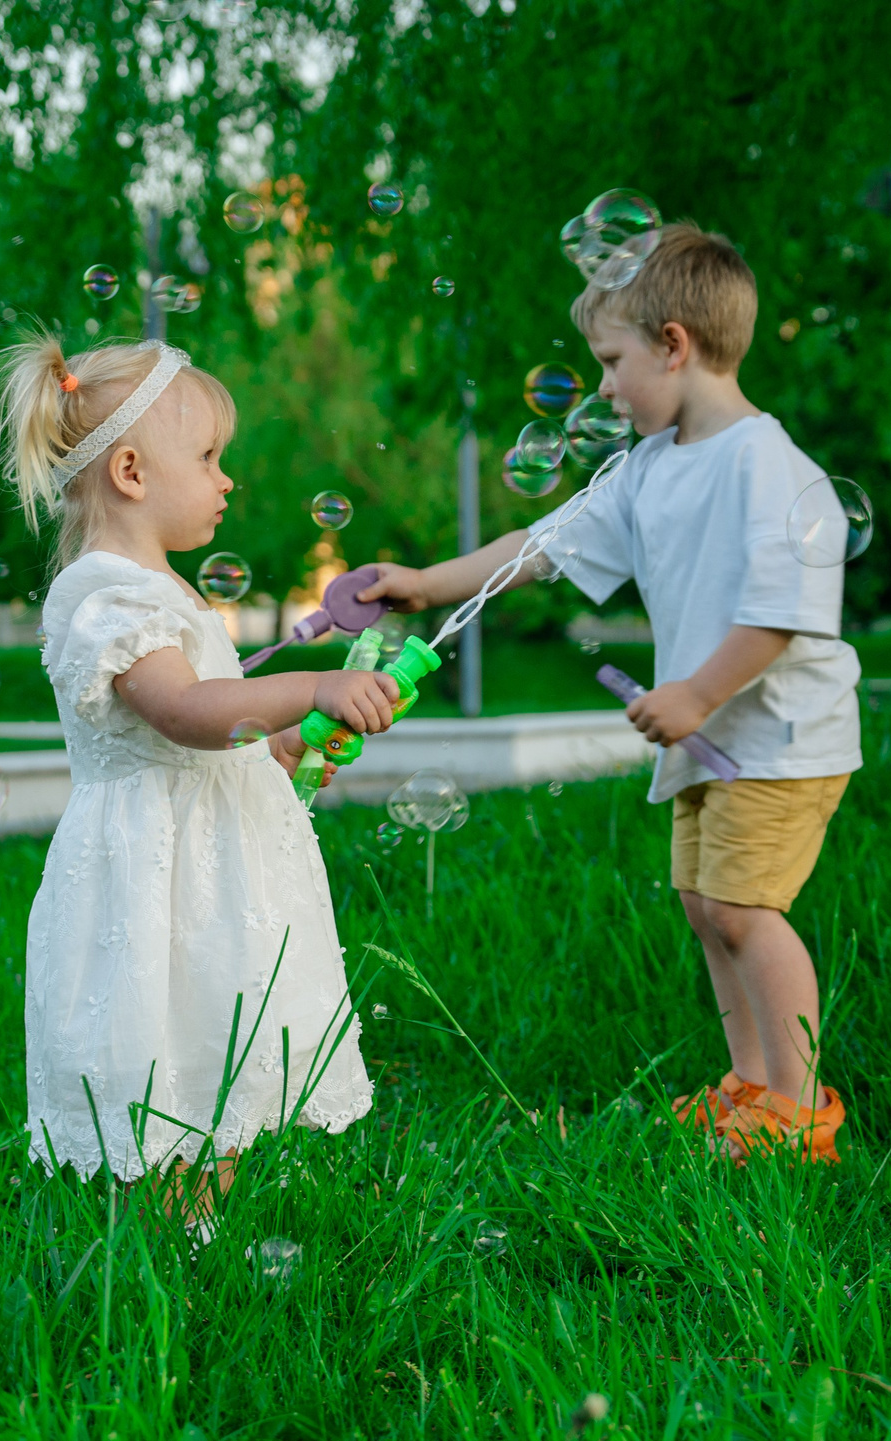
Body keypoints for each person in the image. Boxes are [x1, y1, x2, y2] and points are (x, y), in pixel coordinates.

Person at [358, 224, 860, 1164]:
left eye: (610, 361)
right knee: (707, 906)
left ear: (675, 344)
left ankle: (797, 1114)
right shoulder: (649, 467)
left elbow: (783, 614)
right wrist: (429, 581)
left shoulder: (767, 467)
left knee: (750, 912)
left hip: (780, 735)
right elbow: (543, 547)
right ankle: (749, 1088)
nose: (600, 388)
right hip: (709, 734)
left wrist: (697, 696)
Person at [0, 332, 392, 1220]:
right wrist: (312, 686)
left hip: (209, 867)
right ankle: (171, 1242)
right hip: (155, 880)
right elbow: (183, 710)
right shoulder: (105, 594)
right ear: (131, 471)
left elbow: (217, 734)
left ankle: (208, 1236)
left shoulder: (162, 590)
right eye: (209, 457)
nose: (227, 480)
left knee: (219, 1040)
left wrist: (290, 746)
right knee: (163, 1050)